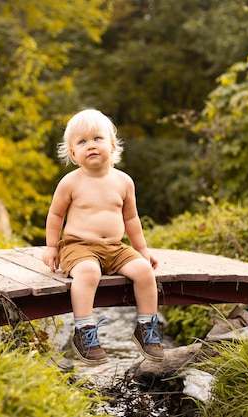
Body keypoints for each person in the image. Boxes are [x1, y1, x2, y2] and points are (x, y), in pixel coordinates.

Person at [42, 109, 164, 365]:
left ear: (112, 144)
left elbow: (131, 219)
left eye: (97, 138)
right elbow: (55, 215)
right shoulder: (70, 182)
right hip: (79, 247)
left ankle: (146, 328)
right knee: (88, 273)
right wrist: (52, 247)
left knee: (144, 272)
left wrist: (142, 249)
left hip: (115, 247)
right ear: (74, 154)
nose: (91, 146)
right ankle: (84, 330)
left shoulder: (123, 182)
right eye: (82, 142)